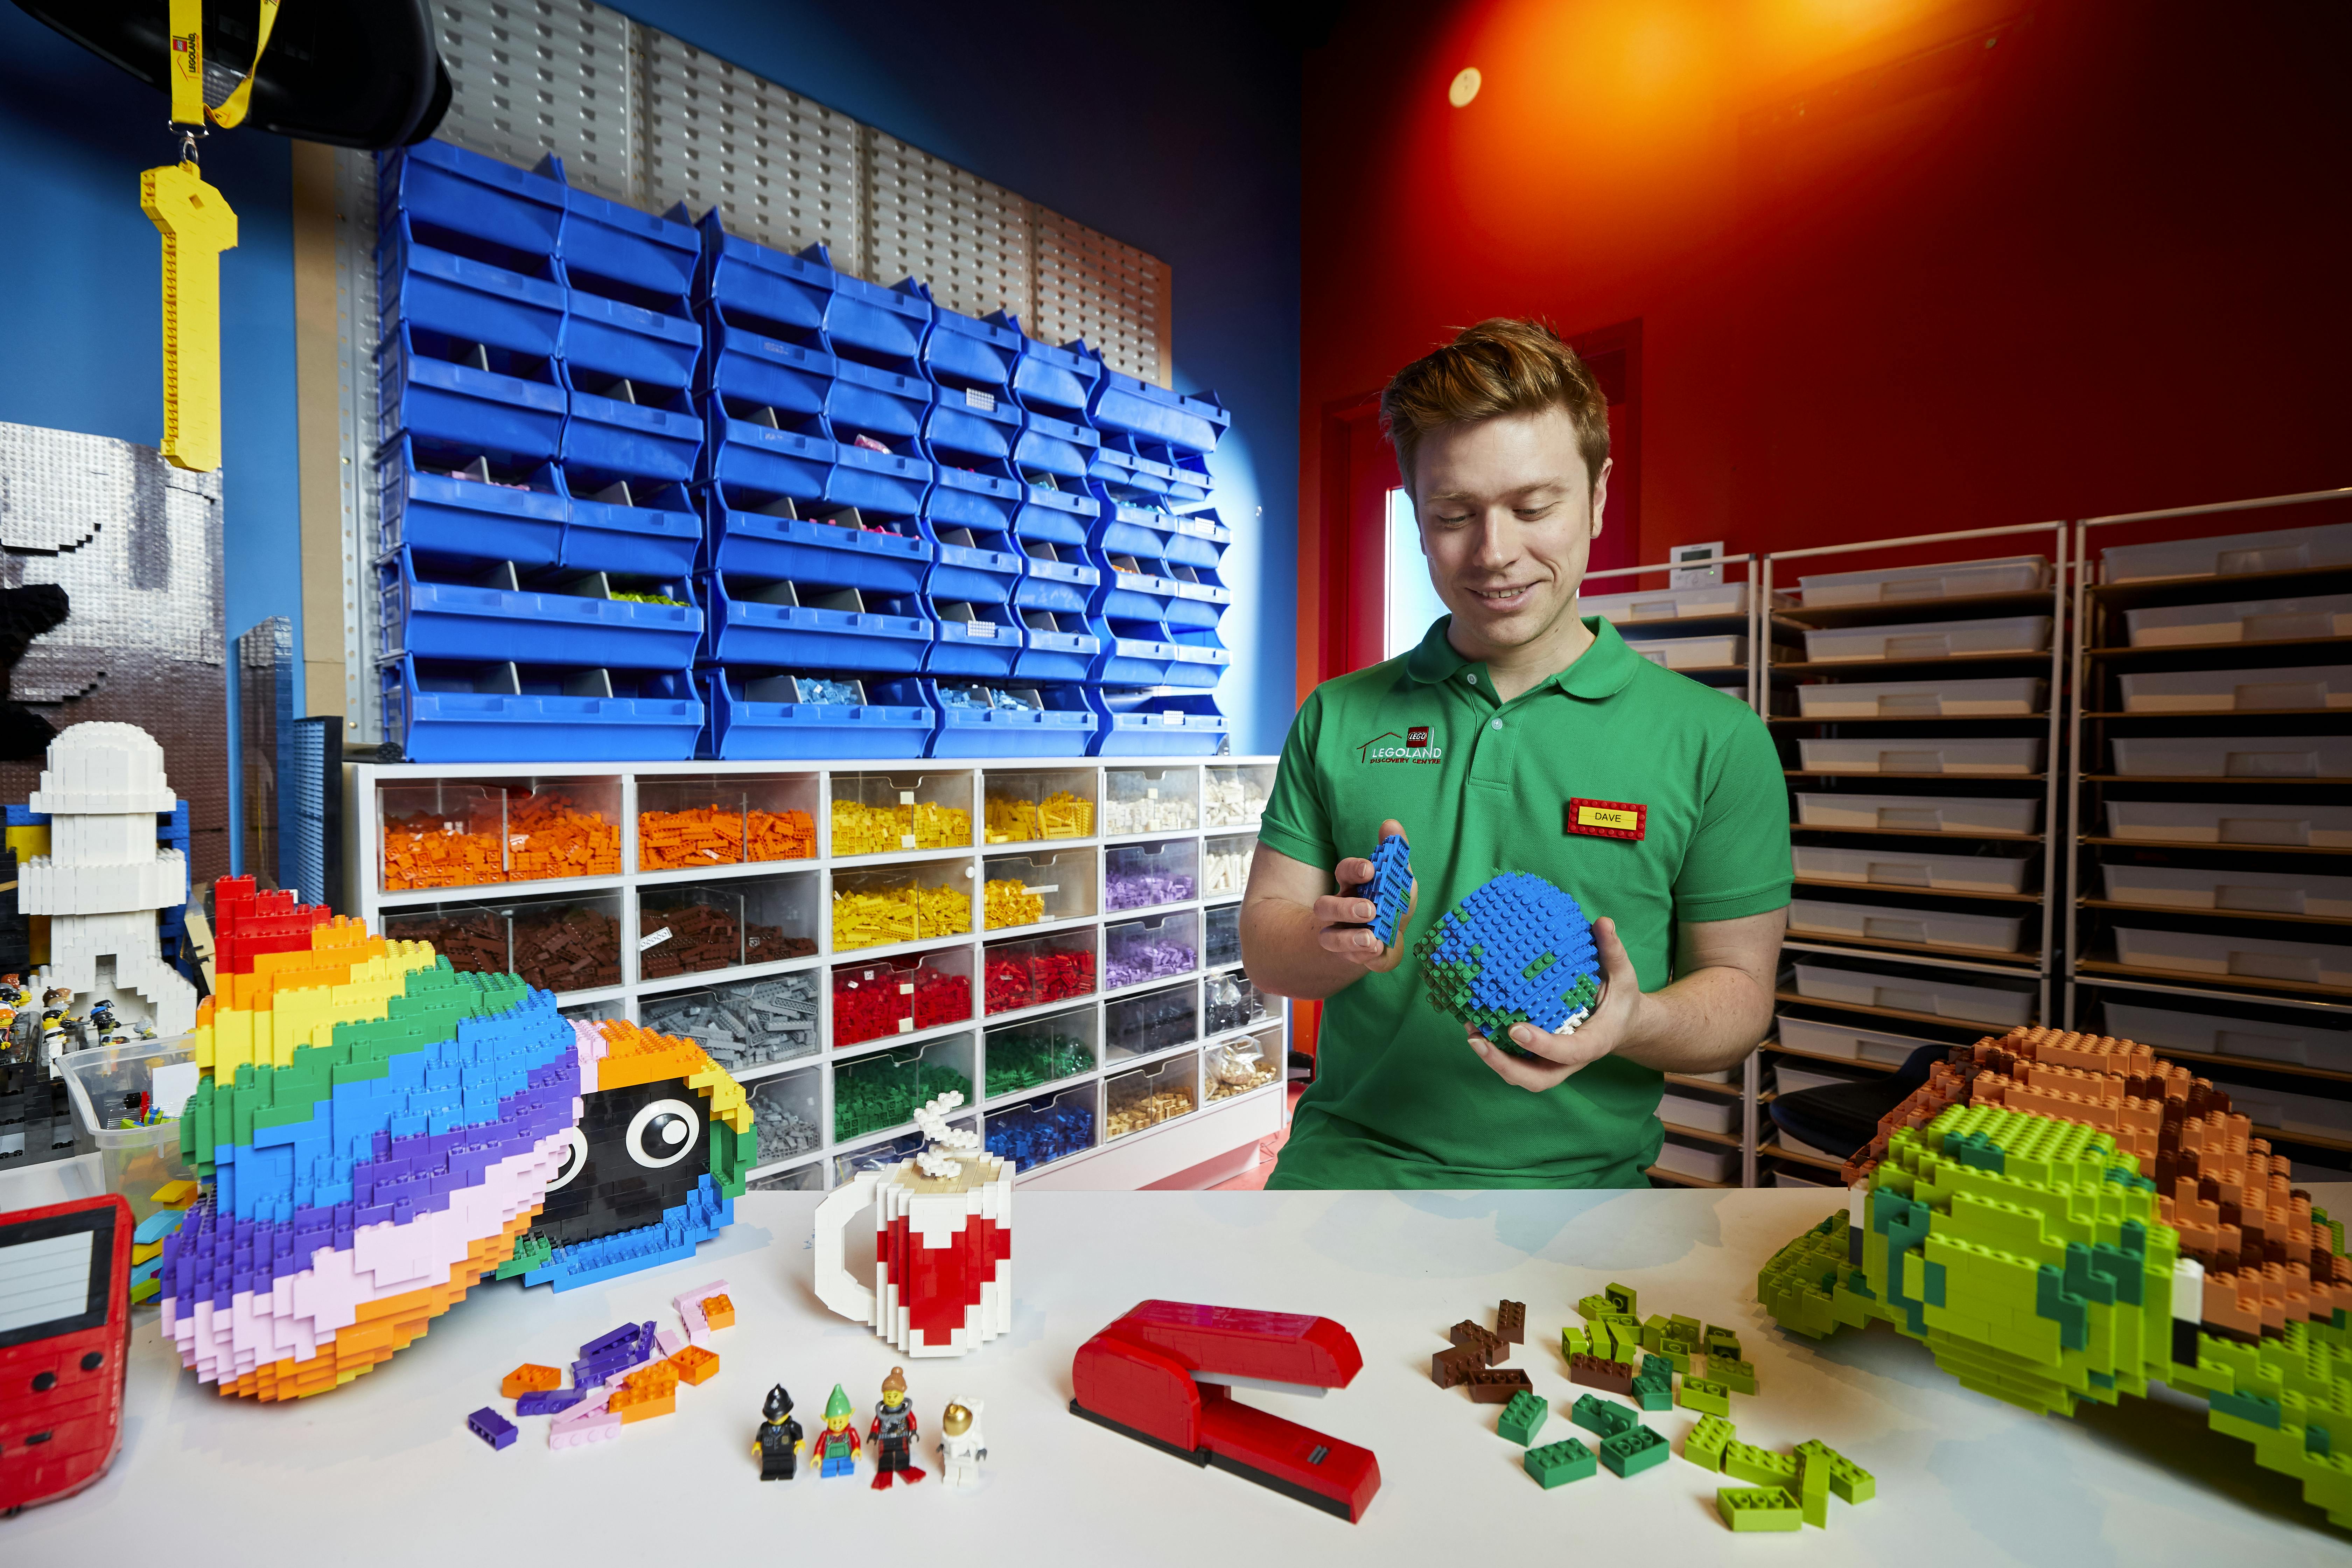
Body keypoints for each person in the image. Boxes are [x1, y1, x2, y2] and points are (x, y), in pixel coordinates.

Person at [1242, 318, 1791, 1188]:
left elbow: (1740, 993)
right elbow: (1266, 947)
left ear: (1598, 497)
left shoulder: (1716, 742)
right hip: (1344, 1174)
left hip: (1582, 1194)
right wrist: (1335, 939)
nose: (1494, 553)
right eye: (1454, 515)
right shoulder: (1337, 715)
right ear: (1418, 516)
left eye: (1534, 508)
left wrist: (1633, 1019)